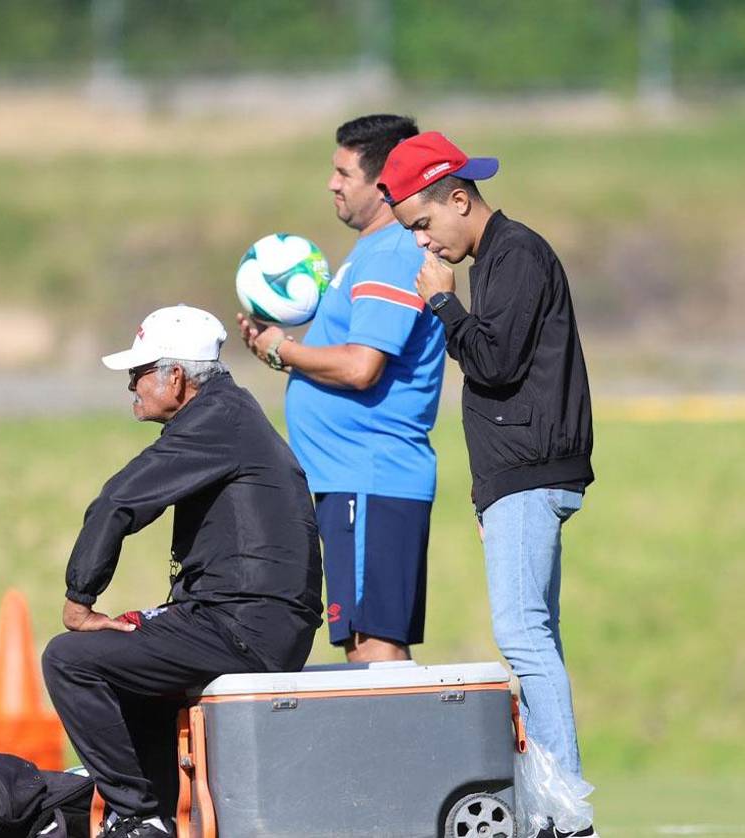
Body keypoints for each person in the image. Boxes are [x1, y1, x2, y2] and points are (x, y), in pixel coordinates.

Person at [379, 133, 598, 837]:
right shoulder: (500, 259)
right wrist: (489, 492)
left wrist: (444, 306)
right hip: (519, 477)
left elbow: (495, 363)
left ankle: (564, 811)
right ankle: (550, 804)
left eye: (422, 223)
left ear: (459, 197)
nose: (424, 243)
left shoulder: (515, 255)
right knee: (538, 637)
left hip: (531, 475)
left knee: (522, 634)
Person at [42, 305, 323, 838]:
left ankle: (138, 817)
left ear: (176, 376)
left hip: (244, 627)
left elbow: (117, 503)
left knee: (71, 659)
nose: (132, 386)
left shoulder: (216, 422)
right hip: (251, 619)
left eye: (139, 373)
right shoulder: (227, 414)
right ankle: (164, 812)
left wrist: (80, 602)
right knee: (129, 662)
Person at [237, 114, 445, 663]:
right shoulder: (372, 254)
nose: (331, 183)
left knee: (374, 645)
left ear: (382, 184)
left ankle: (403, 752)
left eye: (342, 172)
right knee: (361, 641)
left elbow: (361, 367)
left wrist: (282, 351)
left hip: (368, 478)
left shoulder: (391, 254)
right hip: (353, 482)